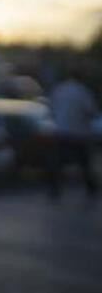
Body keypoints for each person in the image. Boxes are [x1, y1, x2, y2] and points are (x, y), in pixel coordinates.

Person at [46, 66, 99, 199]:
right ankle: (91, 190)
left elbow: (51, 109)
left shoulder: (59, 89)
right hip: (79, 133)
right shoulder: (83, 91)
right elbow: (91, 111)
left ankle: (54, 190)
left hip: (61, 132)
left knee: (57, 164)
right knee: (85, 164)